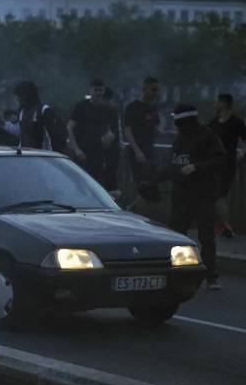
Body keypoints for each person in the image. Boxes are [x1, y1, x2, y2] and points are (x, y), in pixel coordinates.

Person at [160, 104, 225, 291]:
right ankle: (173, 272)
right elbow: (173, 166)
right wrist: (153, 180)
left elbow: (220, 159)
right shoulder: (180, 139)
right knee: (176, 235)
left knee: (206, 235)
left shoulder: (207, 136)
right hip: (181, 194)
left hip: (203, 194)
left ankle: (211, 275)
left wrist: (197, 167)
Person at [67, 78, 119, 189]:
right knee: (80, 183)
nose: (98, 93)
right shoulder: (81, 107)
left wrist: (109, 139)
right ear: (90, 90)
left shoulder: (108, 109)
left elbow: (111, 131)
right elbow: (70, 127)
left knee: (97, 185)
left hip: (99, 154)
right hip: (82, 152)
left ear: (104, 91)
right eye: (96, 90)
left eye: (100, 90)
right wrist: (76, 149)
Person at [209, 93, 246, 238]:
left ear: (223, 103)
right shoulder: (214, 122)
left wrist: (242, 153)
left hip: (227, 163)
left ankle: (225, 225)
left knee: (220, 195)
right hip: (213, 163)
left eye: (217, 102)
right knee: (213, 195)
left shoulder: (236, 122)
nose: (215, 105)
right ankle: (220, 224)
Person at [123, 76, 162, 205]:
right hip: (137, 152)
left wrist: (175, 132)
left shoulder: (153, 108)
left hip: (150, 151)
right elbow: (128, 132)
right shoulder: (132, 107)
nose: (156, 93)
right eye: (154, 90)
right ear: (145, 89)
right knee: (141, 184)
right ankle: (132, 210)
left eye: (157, 90)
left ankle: (136, 209)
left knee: (151, 185)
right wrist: (137, 151)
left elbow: (157, 130)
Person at [10, 80, 68, 152]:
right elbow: (20, 133)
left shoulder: (44, 110)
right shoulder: (22, 112)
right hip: (26, 155)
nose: (17, 98)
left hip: (44, 156)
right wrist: (2, 123)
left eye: (18, 95)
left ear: (26, 95)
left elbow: (53, 137)